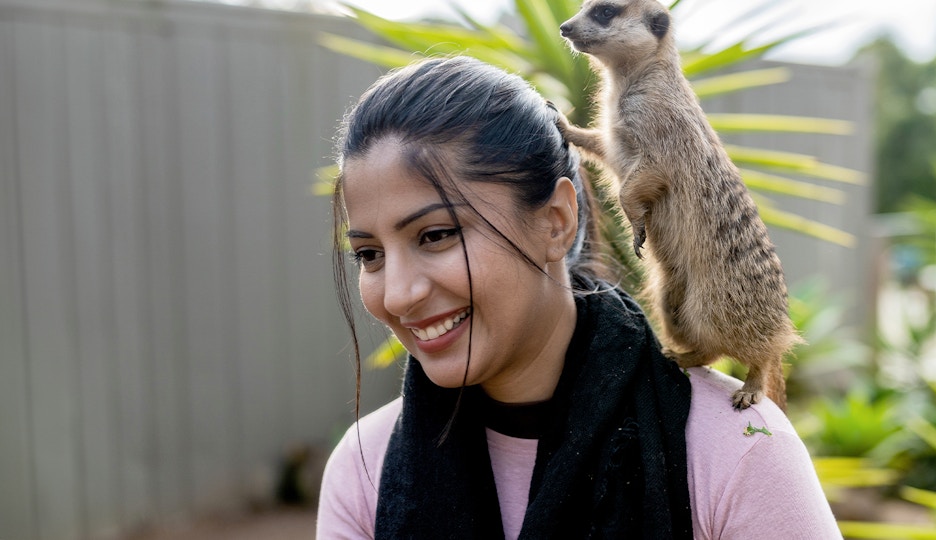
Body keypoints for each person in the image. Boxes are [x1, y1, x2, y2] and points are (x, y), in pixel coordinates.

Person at [317, 55, 842, 539]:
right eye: (369, 255)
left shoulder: (737, 450)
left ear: (555, 222)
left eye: (435, 235)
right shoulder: (365, 467)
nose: (400, 294)